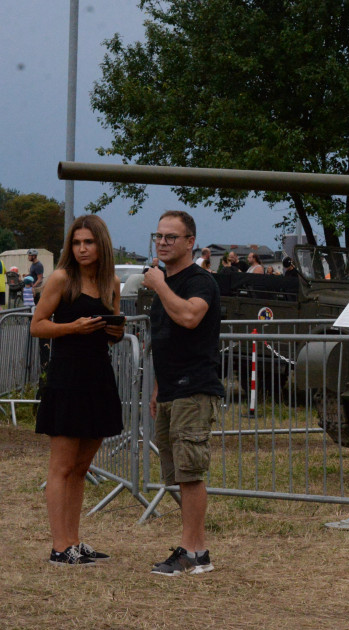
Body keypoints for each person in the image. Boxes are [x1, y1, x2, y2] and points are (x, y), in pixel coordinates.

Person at [30, 214, 125, 566]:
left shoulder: (112, 282)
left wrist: (114, 332)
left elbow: (111, 334)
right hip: (67, 379)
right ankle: (59, 546)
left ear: (102, 245)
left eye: (89, 242)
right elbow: (37, 327)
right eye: (76, 242)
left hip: (98, 378)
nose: (82, 249)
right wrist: (73, 327)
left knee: (82, 467)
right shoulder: (61, 279)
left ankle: (74, 540)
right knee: (62, 466)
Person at [143, 210, 224, 576]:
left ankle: (192, 552)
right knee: (178, 474)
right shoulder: (166, 282)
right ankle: (197, 549)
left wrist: (159, 285)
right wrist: (159, 388)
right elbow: (166, 341)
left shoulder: (200, 280)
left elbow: (190, 317)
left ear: (190, 242)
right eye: (158, 236)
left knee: (191, 474)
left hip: (196, 388)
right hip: (172, 389)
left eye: (171, 237)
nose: (162, 242)